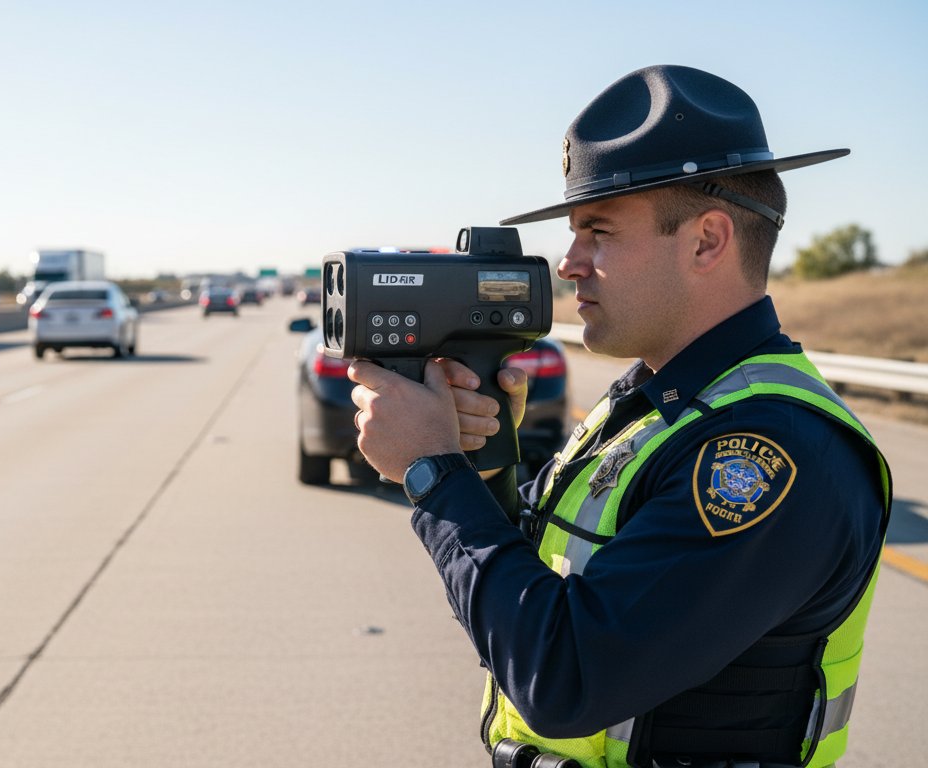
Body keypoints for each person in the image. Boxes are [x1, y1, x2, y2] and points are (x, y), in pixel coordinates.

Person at [347, 65, 891, 768]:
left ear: (706, 241)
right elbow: (527, 598)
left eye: (597, 232)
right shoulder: (650, 405)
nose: (568, 263)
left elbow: (566, 677)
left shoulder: (765, 449)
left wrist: (431, 472)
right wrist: (480, 460)